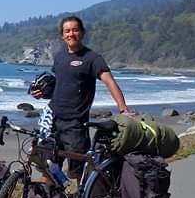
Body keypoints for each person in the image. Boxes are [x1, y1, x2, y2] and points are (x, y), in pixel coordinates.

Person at [30, 15, 130, 184]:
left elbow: (110, 82)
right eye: (67, 31)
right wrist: (42, 93)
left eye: (75, 30)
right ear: (62, 35)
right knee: (48, 167)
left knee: (77, 173)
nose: (71, 34)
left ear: (82, 33)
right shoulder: (60, 57)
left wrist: (123, 109)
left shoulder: (92, 58)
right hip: (53, 120)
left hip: (75, 124)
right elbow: (61, 84)